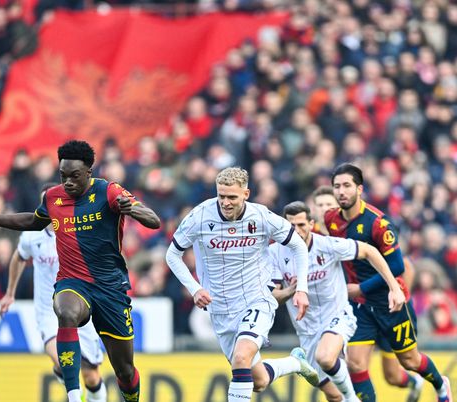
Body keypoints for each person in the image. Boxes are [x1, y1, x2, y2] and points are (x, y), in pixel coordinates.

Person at [0, 140, 161, 402]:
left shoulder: (108, 191)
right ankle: (74, 396)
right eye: (63, 175)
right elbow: (33, 221)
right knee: (65, 310)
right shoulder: (54, 197)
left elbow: (154, 221)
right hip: (73, 282)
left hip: (110, 288)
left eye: (74, 176)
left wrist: (132, 210)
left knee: (124, 371)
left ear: (89, 172)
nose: (67, 182)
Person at [165, 166, 318, 402]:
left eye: (232, 197)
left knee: (240, 358)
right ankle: (294, 362)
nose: (225, 203)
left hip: (256, 299)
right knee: (258, 381)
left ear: (246, 194)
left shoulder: (261, 216)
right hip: (220, 308)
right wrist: (195, 288)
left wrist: (302, 288)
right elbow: (172, 255)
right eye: (221, 196)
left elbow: (297, 245)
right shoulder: (200, 216)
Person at [326, 163, 453, 402]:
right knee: (355, 364)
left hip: (389, 302)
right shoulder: (331, 219)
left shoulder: (378, 223)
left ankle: (440, 384)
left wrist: (360, 288)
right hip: (360, 306)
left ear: (360, 189)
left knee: (410, 361)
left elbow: (397, 266)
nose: (341, 191)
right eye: (336, 186)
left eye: (346, 186)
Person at [270, 201, 406, 402]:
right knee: (333, 396)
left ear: (311, 224)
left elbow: (369, 251)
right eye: (291, 226)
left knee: (325, 357)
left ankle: (353, 399)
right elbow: (273, 297)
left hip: (337, 316)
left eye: (301, 225)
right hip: (306, 330)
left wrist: (394, 287)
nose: (297, 231)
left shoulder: (326, 245)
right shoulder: (275, 254)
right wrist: (292, 289)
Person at [312, 185, 425, 402]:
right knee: (348, 363)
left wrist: (397, 293)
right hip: (353, 310)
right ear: (314, 210)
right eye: (320, 205)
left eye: (328, 204)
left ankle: (415, 381)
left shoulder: (357, 231)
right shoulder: (313, 238)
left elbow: (405, 266)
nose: (324, 209)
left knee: (392, 375)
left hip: (384, 305)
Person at [0, 185, 107, 401]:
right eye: (44, 203)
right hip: (49, 311)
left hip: (81, 308)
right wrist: (9, 292)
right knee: (61, 360)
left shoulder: (81, 231)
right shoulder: (32, 235)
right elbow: (19, 257)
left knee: (91, 376)